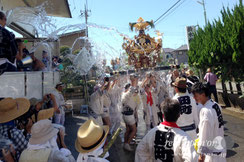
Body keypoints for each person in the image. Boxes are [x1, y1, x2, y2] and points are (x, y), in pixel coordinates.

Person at [192, 82, 226, 162]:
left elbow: (205, 134)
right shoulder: (216, 105)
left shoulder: (205, 111)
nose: (194, 98)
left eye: (196, 95)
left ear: (203, 94)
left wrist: (201, 154)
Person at [121, 74, 140, 151]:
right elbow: (132, 90)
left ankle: (125, 142)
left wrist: (135, 81)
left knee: (128, 129)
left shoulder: (125, 94)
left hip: (126, 115)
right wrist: (133, 81)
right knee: (134, 130)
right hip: (129, 115)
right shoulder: (127, 94)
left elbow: (135, 90)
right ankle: (127, 143)